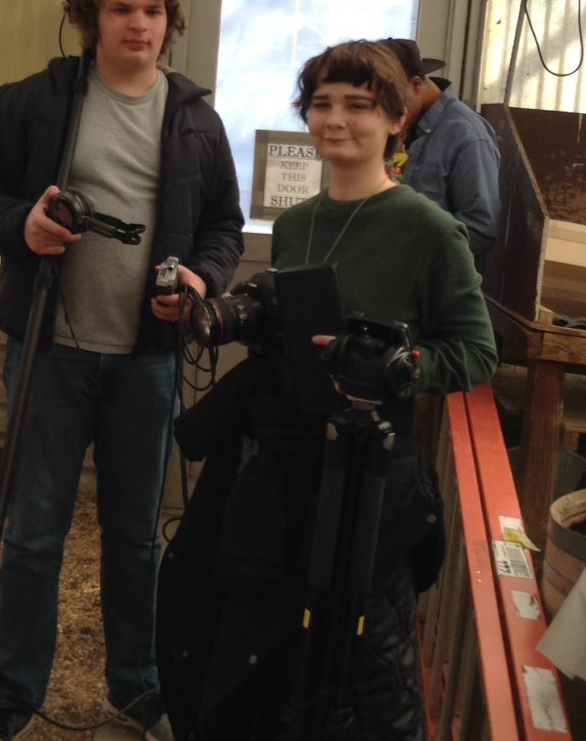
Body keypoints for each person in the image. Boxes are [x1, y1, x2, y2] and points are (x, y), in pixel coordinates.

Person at [157, 39, 498, 740]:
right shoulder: (294, 225)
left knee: (367, 660)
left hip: (372, 474)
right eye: (321, 104)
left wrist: (401, 368)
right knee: (270, 642)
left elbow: (475, 352)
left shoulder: (430, 231)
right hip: (287, 465)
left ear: (396, 119)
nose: (335, 120)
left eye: (358, 105)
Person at [0, 0, 245, 741]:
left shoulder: (193, 119)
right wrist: (24, 226)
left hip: (147, 362)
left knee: (137, 538)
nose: (138, 24)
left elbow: (223, 224)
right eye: (121, 8)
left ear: (170, 22)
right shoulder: (34, 102)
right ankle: (11, 700)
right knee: (36, 533)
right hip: (51, 352)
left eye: (153, 11)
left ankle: (139, 691)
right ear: (91, 17)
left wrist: (203, 280)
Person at [379, 38, 501, 271]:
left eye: (390, 101)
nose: (384, 111)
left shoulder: (468, 137)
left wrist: (408, 244)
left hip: (437, 285)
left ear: (415, 86)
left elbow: (480, 229)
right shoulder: (407, 124)